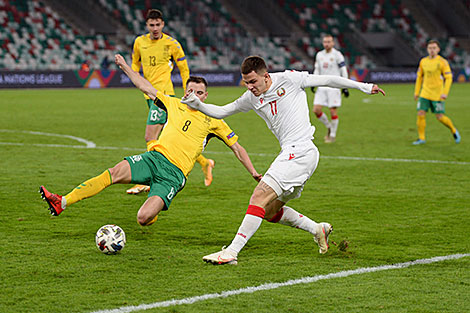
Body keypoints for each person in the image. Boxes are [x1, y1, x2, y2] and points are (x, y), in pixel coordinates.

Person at [182, 55, 385, 265]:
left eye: (253, 81)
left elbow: (328, 80)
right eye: (246, 82)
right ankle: (317, 229)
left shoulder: (290, 79)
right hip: (297, 154)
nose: (250, 87)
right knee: (269, 211)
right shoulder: (251, 97)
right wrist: (197, 104)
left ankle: (231, 252)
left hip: (300, 151)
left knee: (258, 196)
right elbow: (223, 111)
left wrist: (365, 86)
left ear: (266, 76)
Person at [39, 54, 261, 227]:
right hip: (153, 158)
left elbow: (238, 149)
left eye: (199, 92)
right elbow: (144, 86)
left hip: (173, 175)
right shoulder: (174, 103)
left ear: (205, 96)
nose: (194, 94)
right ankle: (63, 202)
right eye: (191, 90)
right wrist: (126, 67)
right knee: (113, 172)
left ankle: (153, 200)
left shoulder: (214, 119)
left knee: (143, 218)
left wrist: (252, 172)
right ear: (185, 91)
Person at [129, 9, 215, 194]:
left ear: (163, 25)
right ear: (147, 25)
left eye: (157, 24)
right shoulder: (139, 42)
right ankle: (206, 163)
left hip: (164, 95)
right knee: (168, 138)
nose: (154, 28)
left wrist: (188, 90)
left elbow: (184, 68)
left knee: (150, 137)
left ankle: (147, 178)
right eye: (151, 25)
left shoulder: (171, 43)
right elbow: (135, 62)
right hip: (148, 95)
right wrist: (134, 74)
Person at [413, 39, 460, 145]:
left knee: (439, 117)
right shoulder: (423, 61)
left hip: (437, 94)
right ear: (427, 49)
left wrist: (445, 92)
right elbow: (419, 77)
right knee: (420, 113)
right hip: (425, 93)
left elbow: (449, 78)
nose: (432, 50)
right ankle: (421, 138)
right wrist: (416, 92)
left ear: (438, 49)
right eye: (430, 48)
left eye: (434, 48)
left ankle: (453, 130)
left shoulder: (442, 62)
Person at [312, 34, 349, 143]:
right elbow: (317, 69)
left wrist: (345, 85)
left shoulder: (337, 55)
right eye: (325, 42)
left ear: (333, 43)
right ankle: (329, 127)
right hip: (322, 86)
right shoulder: (319, 55)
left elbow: (343, 69)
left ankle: (332, 135)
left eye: (329, 42)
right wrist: (313, 81)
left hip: (334, 86)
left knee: (333, 111)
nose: (327, 44)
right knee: (316, 110)